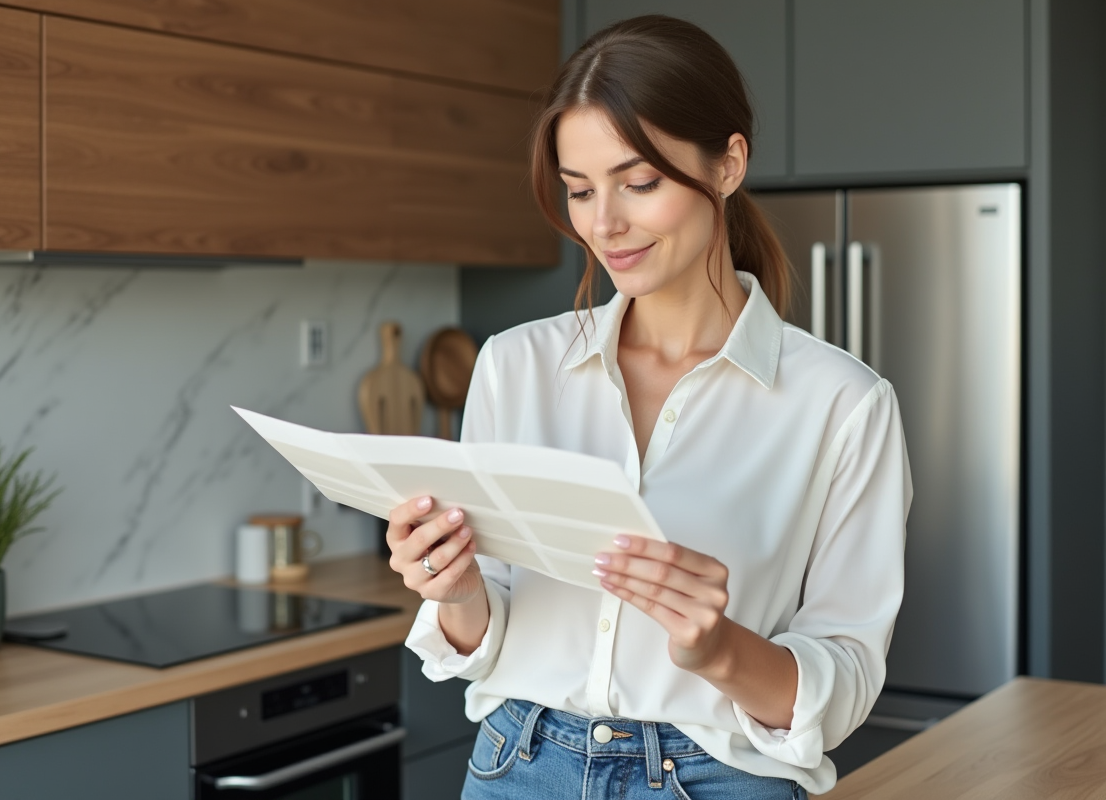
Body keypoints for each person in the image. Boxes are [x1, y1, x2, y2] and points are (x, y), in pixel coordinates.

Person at [388, 15, 911, 799]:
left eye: (639, 183)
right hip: (517, 766)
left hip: (722, 777)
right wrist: (454, 588)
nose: (604, 224)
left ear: (729, 164)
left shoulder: (844, 404)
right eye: (579, 191)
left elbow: (844, 680)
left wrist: (720, 649)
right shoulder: (515, 366)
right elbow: (481, 632)